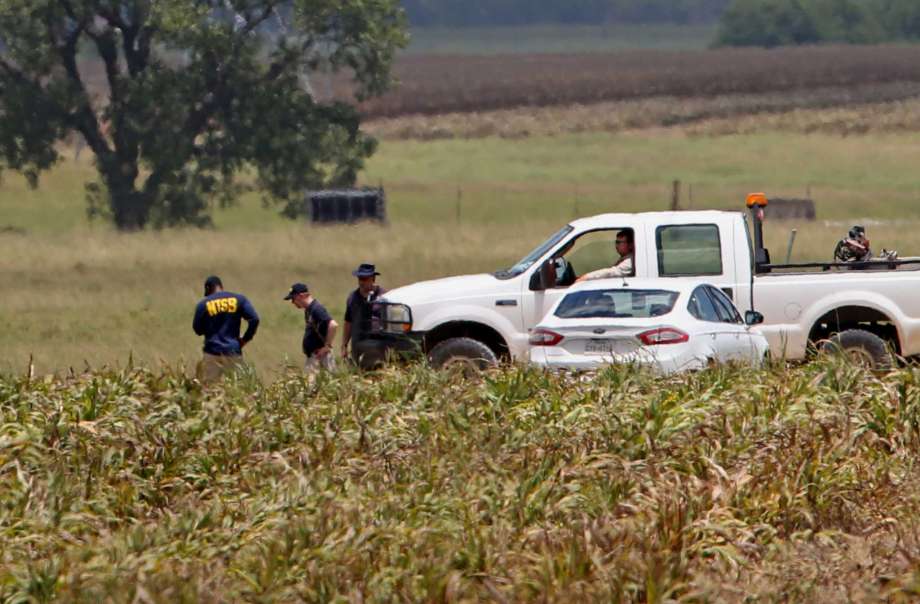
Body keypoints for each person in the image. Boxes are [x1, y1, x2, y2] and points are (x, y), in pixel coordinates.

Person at [192, 275, 260, 383]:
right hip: (233, 352)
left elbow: (197, 329)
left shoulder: (203, 304)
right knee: (238, 389)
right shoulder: (239, 299)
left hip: (211, 353)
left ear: (208, 289)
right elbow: (254, 319)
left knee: (208, 390)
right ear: (220, 286)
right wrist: (245, 339)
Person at [284, 282, 338, 374]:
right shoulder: (309, 310)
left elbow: (333, 325)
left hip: (321, 356)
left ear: (300, 296)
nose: (293, 303)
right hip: (315, 356)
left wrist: (327, 346)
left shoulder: (316, 309)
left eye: (293, 299)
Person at [341, 263, 387, 364]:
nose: (362, 282)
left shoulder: (384, 296)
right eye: (360, 278)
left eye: (365, 279)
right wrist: (344, 345)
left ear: (373, 279)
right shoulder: (352, 298)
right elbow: (348, 322)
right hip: (358, 345)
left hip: (378, 346)